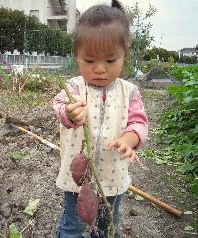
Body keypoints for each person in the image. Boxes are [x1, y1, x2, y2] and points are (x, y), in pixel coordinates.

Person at [53, 1, 148, 237]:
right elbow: (60, 107)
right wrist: (72, 113)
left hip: (112, 179)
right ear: (77, 55)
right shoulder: (74, 88)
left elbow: (139, 123)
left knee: (107, 226)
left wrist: (128, 139)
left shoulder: (131, 92)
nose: (99, 69)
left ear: (124, 54)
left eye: (110, 60)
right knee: (73, 225)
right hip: (77, 181)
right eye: (90, 61)